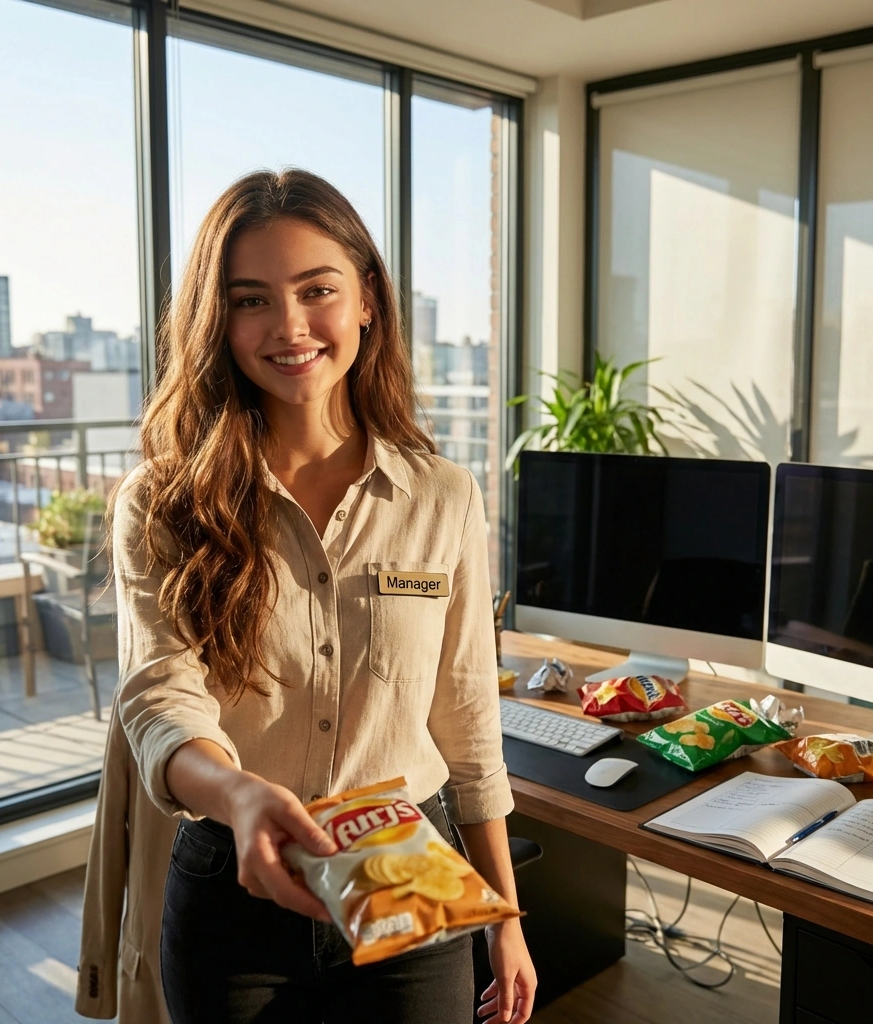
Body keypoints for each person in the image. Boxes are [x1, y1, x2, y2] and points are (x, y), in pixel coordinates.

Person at [108, 168, 536, 1024]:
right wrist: (237, 794)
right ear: (217, 321)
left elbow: (464, 713)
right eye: (251, 299)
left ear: (368, 299)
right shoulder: (161, 503)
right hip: (235, 881)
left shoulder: (443, 495)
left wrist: (507, 919)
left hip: (406, 866)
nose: (291, 326)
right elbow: (160, 698)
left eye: (317, 290)